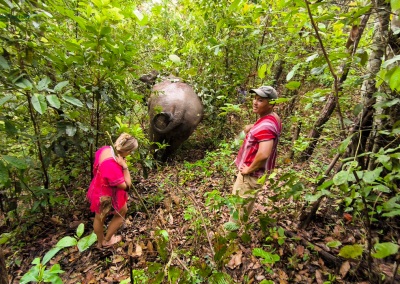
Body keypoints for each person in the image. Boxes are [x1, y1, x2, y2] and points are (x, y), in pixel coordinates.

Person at [229, 86, 282, 225]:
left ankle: (229, 238)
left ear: (271, 103)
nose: (255, 102)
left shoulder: (266, 126)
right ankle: (240, 229)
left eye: (260, 100)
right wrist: (252, 127)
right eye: (255, 98)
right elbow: (266, 127)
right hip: (255, 174)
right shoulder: (273, 118)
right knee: (245, 205)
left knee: (239, 207)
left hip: (251, 175)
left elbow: (264, 154)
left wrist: (249, 170)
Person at [87, 133, 138, 248]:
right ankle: (106, 240)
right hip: (107, 195)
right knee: (121, 213)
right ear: (128, 151)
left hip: (99, 187)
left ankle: (100, 242)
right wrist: (124, 167)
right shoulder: (113, 166)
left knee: (98, 217)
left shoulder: (106, 149)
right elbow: (127, 186)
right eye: (131, 152)